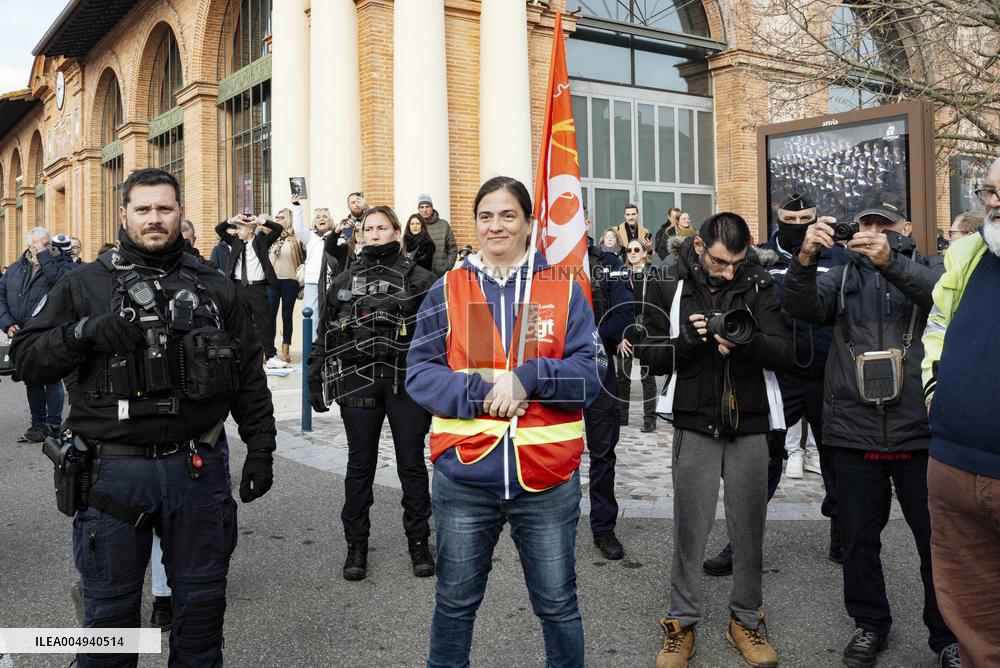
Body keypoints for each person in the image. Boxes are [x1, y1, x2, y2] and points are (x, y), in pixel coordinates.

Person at [11, 167, 275, 667]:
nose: (155, 219)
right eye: (144, 209)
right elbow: (26, 358)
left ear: (180, 213)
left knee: (199, 617)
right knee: (109, 627)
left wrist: (261, 447)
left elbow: (248, 375)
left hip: (195, 472)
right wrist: (84, 332)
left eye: (165, 209)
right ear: (124, 213)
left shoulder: (215, 286)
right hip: (112, 474)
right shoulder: (83, 283)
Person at [406, 176, 603, 668]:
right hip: (465, 477)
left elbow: (592, 376)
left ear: (530, 223)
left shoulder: (561, 287)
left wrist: (532, 377)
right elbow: (420, 376)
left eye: (508, 215)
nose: (496, 225)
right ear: (476, 224)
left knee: (558, 607)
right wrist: (479, 394)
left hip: (547, 479)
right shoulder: (447, 288)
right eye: (486, 216)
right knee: (454, 606)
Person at [782, 191, 959, 667]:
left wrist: (889, 265)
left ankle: (946, 636)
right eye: (867, 226)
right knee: (859, 539)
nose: (874, 235)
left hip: (916, 429)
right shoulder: (840, 277)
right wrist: (805, 255)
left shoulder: (930, 269)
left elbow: (940, 296)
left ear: (903, 230)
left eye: (884, 226)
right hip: (853, 429)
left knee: (935, 542)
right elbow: (797, 305)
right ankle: (869, 625)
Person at [638, 212, 791, 668]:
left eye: (737, 263)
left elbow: (786, 352)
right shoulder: (669, 280)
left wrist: (748, 345)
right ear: (701, 246)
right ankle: (681, 624)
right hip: (694, 420)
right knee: (691, 529)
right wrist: (685, 341)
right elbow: (646, 353)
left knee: (749, 529)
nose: (729, 272)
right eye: (722, 262)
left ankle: (746, 618)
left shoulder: (760, 283)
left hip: (749, 422)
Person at [703, 190, 847, 577]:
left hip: (828, 374)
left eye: (806, 222)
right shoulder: (758, 259)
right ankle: (741, 542)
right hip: (778, 375)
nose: (798, 228)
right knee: (761, 460)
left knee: (837, 457)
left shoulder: (837, 259)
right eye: (791, 221)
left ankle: (842, 530)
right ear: (778, 220)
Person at [307, 205, 437, 581]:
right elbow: (326, 332)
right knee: (359, 467)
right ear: (360, 235)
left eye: (383, 227)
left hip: (406, 384)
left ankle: (418, 542)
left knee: (411, 465)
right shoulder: (344, 280)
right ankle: (356, 545)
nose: (376, 233)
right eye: (369, 228)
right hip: (358, 380)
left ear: (396, 231)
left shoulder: (423, 279)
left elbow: (441, 336)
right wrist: (314, 376)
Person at [921, 158, 1000, 667]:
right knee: (974, 633)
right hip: (953, 468)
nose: (992, 204)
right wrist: (937, 399)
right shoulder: (970, 253)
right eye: (988, 191)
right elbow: (936, 332)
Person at [584, 214, 635, 560]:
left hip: (599, 369)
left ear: (586, 222)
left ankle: (603, 528)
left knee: (603, 454)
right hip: (553, 370)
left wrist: (590, 339)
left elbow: (625, 311)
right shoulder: (544, 261)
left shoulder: (609, 262)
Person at [0, 226, 73, 442]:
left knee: (51, 378)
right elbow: (0, 297)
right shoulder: (14, 269)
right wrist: (8, 323)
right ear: (29, 246)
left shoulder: (61, 264)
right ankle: (37, 424)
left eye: (47, 244)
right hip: (22, 334)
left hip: (49, 332)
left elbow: (62, 284)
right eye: (39, 245)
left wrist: (44, 257)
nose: (44, 248)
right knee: (31, 380)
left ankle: (53, 424)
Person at [214, 212, 283, 363]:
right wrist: (231, 220)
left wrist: (261, 221)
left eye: (240, 228)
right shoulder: (235, 242)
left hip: (257, 288)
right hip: (238, 286)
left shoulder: (262, 241)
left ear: (250, 230)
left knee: (264, 322)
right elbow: (219, 229)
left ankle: (270, 355)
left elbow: (278, 229)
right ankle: (242, 354)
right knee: (241, 321)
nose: (237, 231)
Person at [618, 240, 659, 432]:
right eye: (629, 250)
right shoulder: (621, 275)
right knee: (623, 375)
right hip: (626, 329)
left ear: (644, 253)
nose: (632, 253)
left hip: (646, 330)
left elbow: (660, 304)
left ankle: (649, 418)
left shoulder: (653, 274)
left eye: (636, 250)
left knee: (647, 376)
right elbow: (614, 306)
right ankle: (622, 415)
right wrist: (619, 334)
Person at [291, 196, 335, 339]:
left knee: (330, 318)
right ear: (315, 222)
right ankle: (312, 352)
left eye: (325, 217)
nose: (321, 219)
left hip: (331, 283)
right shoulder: (310, 236)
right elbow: (298, 229)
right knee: (311, 318)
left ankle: (330, 354)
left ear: (330, 221)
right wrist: (297, 206)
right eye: (318, 217)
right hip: (312, 283)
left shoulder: (336, 236)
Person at [268, 207, 305, 364]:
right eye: (276, 217)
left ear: (288, 219)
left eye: (281, 217)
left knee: (286, 316)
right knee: (270, 316)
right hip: (272, 281)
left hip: (290, 280)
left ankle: (286, 349)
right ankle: (269, 349)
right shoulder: (271, 238)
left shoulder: (295, 239)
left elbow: (304, 257)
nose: (277, 220)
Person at [417, 193, 458, 277]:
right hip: (419, 274)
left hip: (440, 274)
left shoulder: (443, 224)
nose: (424, 210)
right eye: (422, 207)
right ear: (419, 209)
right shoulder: (415, 224)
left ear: (432, 208)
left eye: (427, 206)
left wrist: (447, 267)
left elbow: (452, 248)